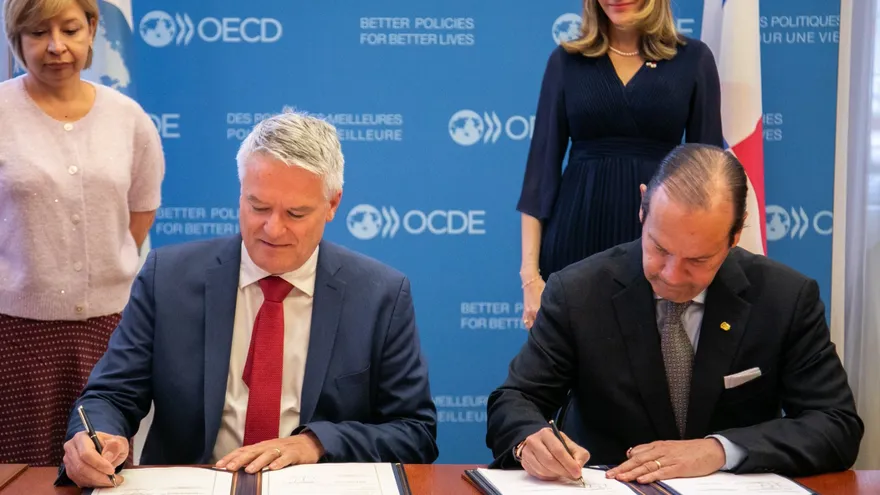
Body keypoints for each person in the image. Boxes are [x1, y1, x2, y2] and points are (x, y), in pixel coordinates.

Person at [57, 111, 438, 487]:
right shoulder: (167, 277)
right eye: (258, 207)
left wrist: (317, 442)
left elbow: (415, 433)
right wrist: (96, 437)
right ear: (240, 194)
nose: (273, 229)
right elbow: (112, 395)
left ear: (333, 205)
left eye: (296, 213)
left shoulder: (379, 295)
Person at [488, 143, 863, 483]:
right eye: (660, 248)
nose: (671, 274)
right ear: (642, 208)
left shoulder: (785, 298)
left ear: (735, 236)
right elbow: (514, 400)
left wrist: (718, 450)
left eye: (697, 260)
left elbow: (836, 425)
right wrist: (528, 441)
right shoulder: (578, 291)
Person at [0, 0, 164, 465]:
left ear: (92, 30)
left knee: (102, 463)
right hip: (13, 336)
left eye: (70, 29)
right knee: (20, 473)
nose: (56, 47)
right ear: (16, 40)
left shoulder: (128, 117)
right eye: (37, 33)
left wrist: (99, 273)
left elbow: (140, 210)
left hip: (110, 333)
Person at [519, 0, 723, 329]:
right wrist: (531, 276)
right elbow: (538, 180)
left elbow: (711, 179)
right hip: (574, 242)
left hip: (660, 247)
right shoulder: (565, 62)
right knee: (573, 370)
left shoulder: (693, 59)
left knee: (655, 371)